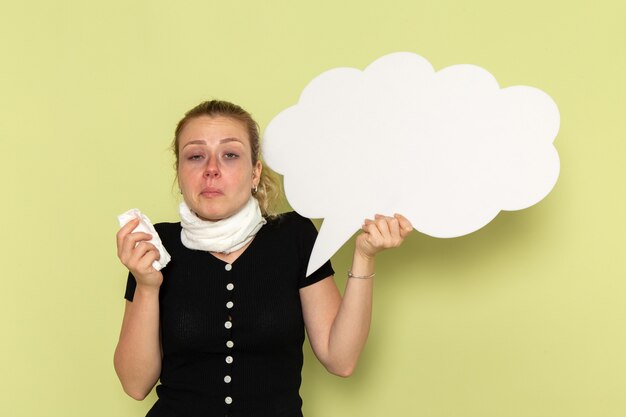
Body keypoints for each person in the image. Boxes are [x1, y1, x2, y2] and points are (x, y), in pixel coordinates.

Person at [114, 100, 413, 417]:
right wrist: (147, 286)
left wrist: (364, 257)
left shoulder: (294, 236)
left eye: (230, 155)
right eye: (195, 156)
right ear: (180, 172)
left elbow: (341, 360)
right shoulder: (157, 245)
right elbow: (135, 384)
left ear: (254, 171)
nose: (211, 169)